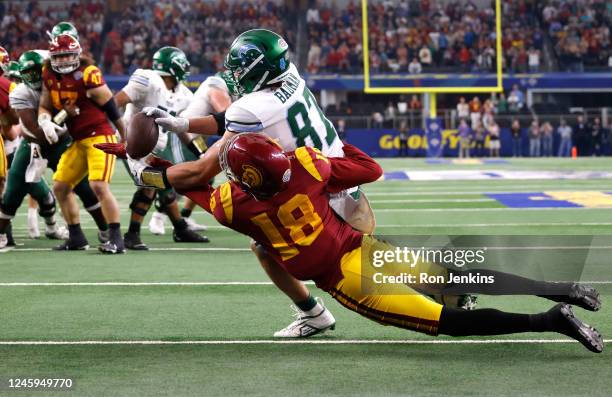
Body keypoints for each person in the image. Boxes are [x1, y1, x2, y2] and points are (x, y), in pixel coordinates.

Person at [104, 133, 604, 353]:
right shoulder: (303, 164)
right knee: (456, 276)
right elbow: (370, 168)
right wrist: (330, 149)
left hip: (344, 277)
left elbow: (181, 182)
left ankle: (551, 320)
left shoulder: (236, 206)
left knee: (445, 320)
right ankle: (559, 288)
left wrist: (148, 165)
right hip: (362, 249)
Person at [0, 50, 109, 250]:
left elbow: (76, 114)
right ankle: (1, 234)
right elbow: (35, 130)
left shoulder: (60, 83)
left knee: (84, 187)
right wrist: (60, 117)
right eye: (28, 72)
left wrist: (64, 118)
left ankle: (105, 230)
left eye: (36, 71)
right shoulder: (20, 91)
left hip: (62, 139)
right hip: (32, 142)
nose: (33, 76)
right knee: (13, 188)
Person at [113, 47, 209, 250]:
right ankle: (138, 233)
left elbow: (183, 128)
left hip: (155, 147)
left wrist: (200, 151)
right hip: (134, 145)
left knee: (157, 184)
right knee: (154, 183)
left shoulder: (184, 94)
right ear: (174, 66)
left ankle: (174, 229)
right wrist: (122, 132)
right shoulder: (148, 80)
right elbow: (116, 102)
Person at [39, 34, 126, 253]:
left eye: (68, 55)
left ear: (77, 54)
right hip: (77, 139)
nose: (64, 61)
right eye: (59, 57)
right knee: (60, 186)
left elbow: (111, 107)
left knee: (98, 185)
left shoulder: (89, 73)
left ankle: (116, 238)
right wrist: (45, 121)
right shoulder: (48, 73)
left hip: (99, 136)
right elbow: (44, 105)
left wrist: (125, 135)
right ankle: (76, 236)